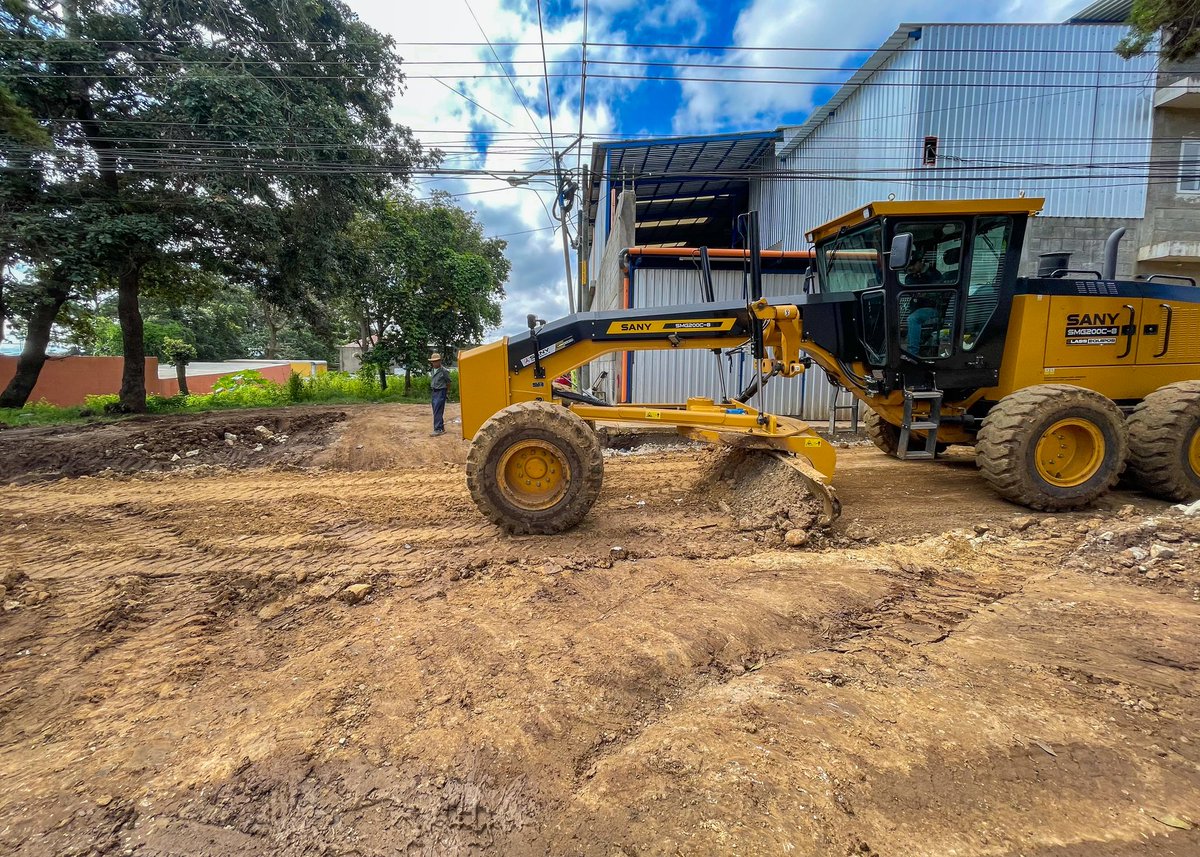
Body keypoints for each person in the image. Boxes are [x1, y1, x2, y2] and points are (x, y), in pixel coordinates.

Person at [429, 352, 449, 436]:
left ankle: (438, 429)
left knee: (438, 410)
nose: (434, 363)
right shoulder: (433, 370)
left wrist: (446, 392)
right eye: (433, 361)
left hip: (441, 391)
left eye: (436, 361)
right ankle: (441, 427)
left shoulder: (444, 371)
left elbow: (448, 382)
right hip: (434, 391)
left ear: (439, 361)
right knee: (436, 410)